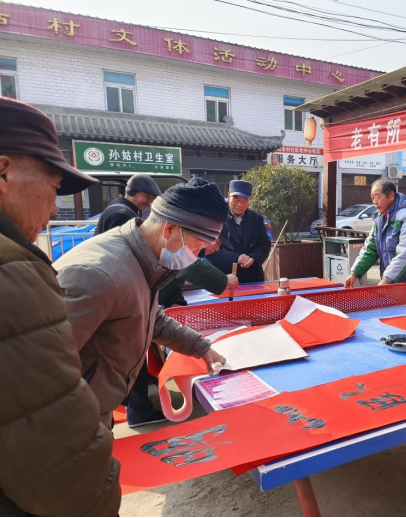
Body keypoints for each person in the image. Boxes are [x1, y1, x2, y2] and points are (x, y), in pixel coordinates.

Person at [0, 98, 120, 516]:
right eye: (53, 188)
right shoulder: (14, 271)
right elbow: (56, 449)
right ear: (3, 171)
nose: (54, 209)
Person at [55, 178, 228, 429]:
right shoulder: (99, 275)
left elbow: (150, 317)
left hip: (95, 404)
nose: (195, 257)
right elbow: (45, 367)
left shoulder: (143, 260)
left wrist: (200, 347)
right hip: (71, 417)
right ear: (169, 229)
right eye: (197, 247)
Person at [345, 179, 406, 310]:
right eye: (372, 198)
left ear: (391, 195)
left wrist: (386, 279)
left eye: (378, 196)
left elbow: (405, 252)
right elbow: (370, 248)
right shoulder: (379, 218)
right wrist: (355, 273)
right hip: (393, 283)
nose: (374, 201)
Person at [206, 180, 271, 283]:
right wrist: (236, 258)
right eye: (236, 200)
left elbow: (265, 244)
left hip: (253, 277)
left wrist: (253, 258)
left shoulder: (257, 218)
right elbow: (209, 249)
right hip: (225, 277)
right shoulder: (216, 218)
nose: (240, 205)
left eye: (245, 201)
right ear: (228, 196)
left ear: (249, 200)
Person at [95, 173, 161, 235]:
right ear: (132, 191)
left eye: (152, 198)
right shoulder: (121, 215)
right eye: (147, 197)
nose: (150, 201)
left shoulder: (119, 205)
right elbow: (119, 243)